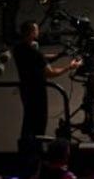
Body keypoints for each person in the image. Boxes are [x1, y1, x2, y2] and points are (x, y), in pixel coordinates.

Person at [10, 21, 80, 155]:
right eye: (36, 30)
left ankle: (25, 148)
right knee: (39, 122)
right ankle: (36, 151)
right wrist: (69, 67)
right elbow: (50, 73)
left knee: (28, 119)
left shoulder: (18, 48)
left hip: (25, 89)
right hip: (38, 91)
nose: (38, 32)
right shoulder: (34, 53)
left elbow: (42, 58)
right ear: (31, 33)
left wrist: (60, 55)